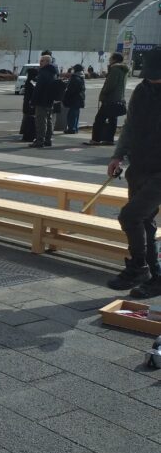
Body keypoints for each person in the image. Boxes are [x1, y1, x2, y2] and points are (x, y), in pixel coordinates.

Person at [105, 48, 161, 296]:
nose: (152, 78)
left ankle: (140, 267)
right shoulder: (142, 90)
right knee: (144, 222)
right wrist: (118, 155)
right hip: (139, 164)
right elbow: (129, 126)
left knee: (130, 217)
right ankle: (154, 275)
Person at [87, 53, 130, 146]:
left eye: (110, 58)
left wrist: (104, 93)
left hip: (110, 99)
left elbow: (110, 84)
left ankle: (96, 139)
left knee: (99, 119)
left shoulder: (115, 69)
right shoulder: (123, 70)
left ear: (114, 60)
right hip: (118, 98)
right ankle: (109, 139)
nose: (109, 60)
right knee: (112, 119)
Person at [30, 54, 59, 148]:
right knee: (49, 120)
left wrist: (33, 101)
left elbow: (38, 89)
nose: (40, 62)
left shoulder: (43, 73)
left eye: (42, 60)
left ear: (47, 62)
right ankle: (48, 140)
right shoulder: (53, 72)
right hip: (49, 100)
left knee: (41, 121)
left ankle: (39, 141)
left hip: (41, 100)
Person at [62, 64, 86, 134]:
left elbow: (71, 90)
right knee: (76, 114)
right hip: (79, 98)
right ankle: (75, 128)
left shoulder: (75, 78)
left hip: (74, 98)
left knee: (72, 114)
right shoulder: (81, 77)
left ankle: (71, 128)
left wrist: (66, 96)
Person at [20, 67, 39, 142]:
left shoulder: (30, 81)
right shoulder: (35, 81)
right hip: (32, 102)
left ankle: (28, 136)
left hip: (29, 102)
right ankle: (30, 135)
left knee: (28, 119)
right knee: (31, 118)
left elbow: (29, 94)